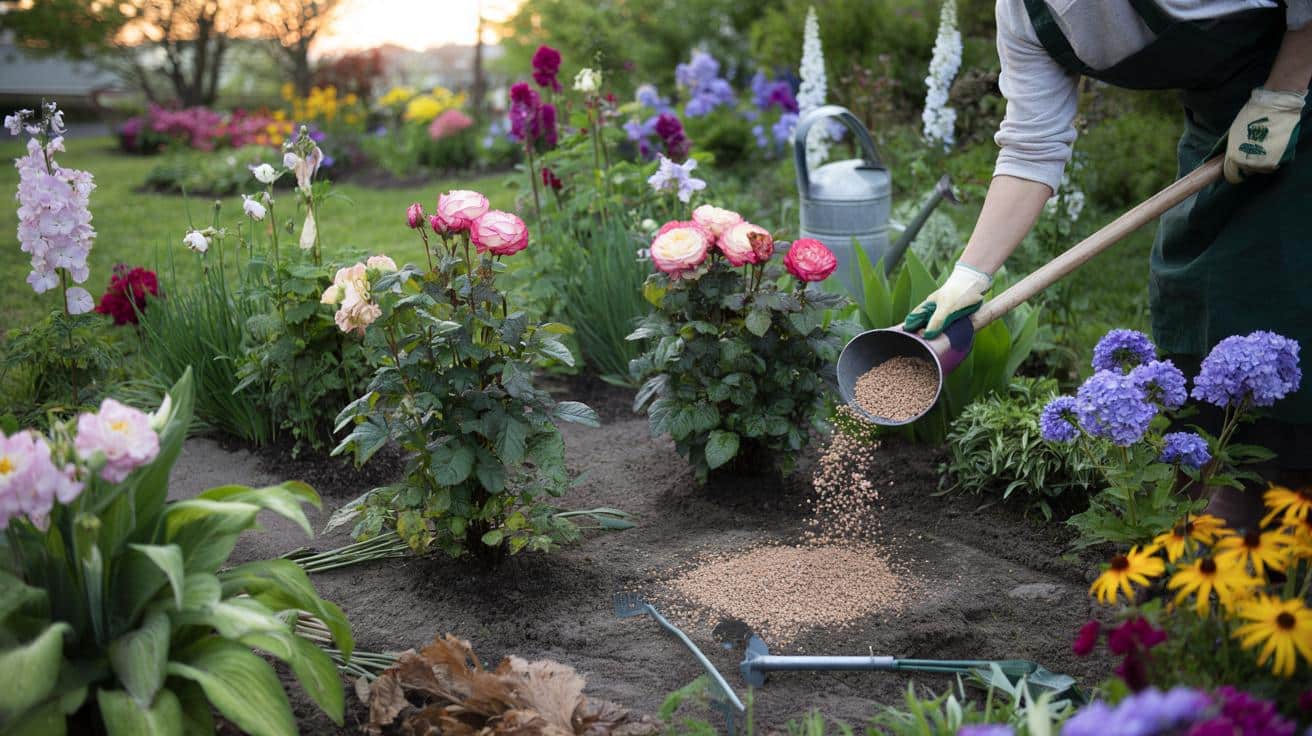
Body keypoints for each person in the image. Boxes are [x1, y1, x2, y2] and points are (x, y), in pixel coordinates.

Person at [902, 0, 1312, 529]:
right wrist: (968, 278)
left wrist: (1281, 95)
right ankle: (1226, 507)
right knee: (1201, 290)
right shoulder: (1025, 14)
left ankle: (1286, 504)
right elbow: (1031, 147)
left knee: (1293, 296)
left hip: (1292, 83)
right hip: (1227, 132)